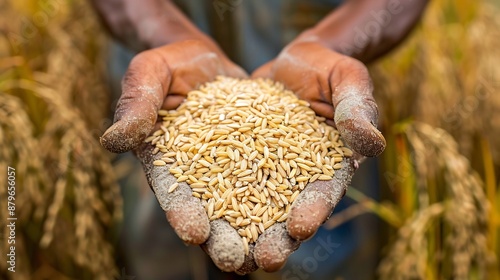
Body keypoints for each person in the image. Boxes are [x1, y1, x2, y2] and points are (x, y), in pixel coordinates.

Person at [91, 0, 428, 278]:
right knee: (164, 250)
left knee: (325, 253)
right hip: (164, 54)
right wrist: (167, 38)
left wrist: (328, 45)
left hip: (317, 63)